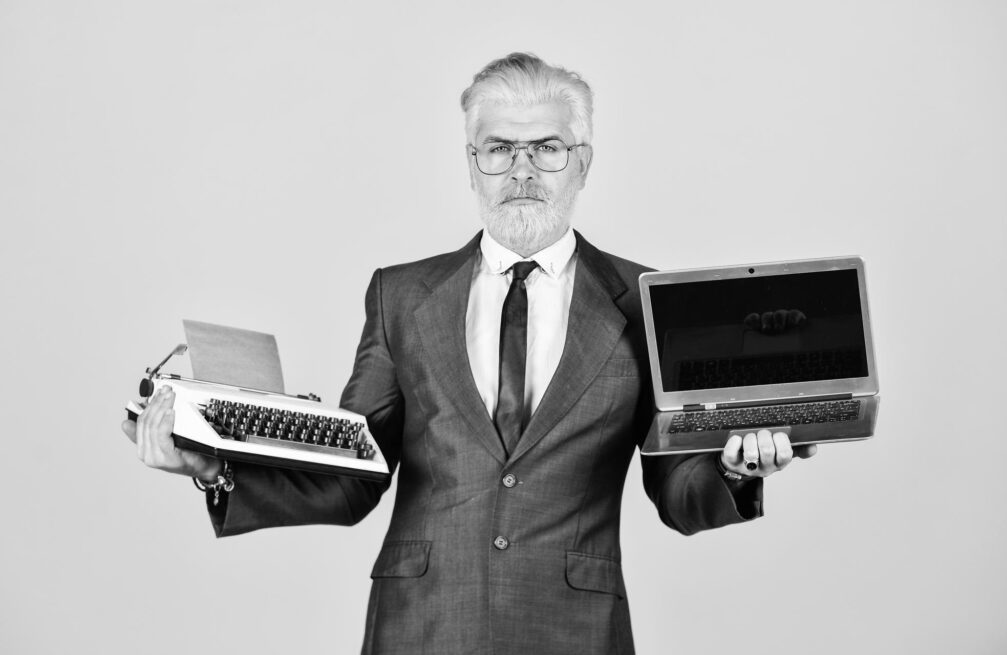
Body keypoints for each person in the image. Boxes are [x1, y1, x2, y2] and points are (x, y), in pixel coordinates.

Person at [123, 52, 816, 655]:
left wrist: (733, 469)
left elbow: (676, 487)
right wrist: (214, 469)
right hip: (422, 627)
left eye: (546, 147)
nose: (522, 169)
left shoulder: (644, 300)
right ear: (471, 164)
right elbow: (356, 475)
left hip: (573, 630)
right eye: (499, 149)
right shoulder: (401, 295)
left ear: (583, 163)